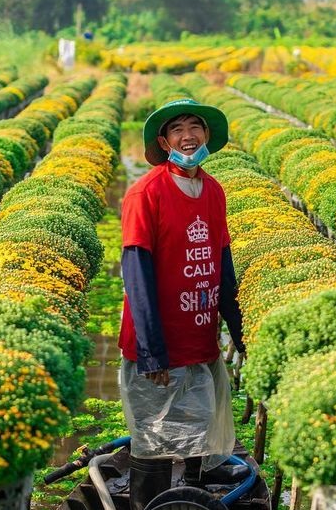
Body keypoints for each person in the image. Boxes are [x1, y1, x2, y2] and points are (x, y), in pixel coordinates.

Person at [118, 98, 248, 510]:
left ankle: (192, 498)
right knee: (154, 441)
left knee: (198, 424)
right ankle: (148, 504)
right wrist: (152, 352)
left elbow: (222, 263)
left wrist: (241, 332)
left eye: (196, 127)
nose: (188, 136)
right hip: (160, 342)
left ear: (207, 137)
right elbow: (136, 274)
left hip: (200, 331)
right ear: (164, 140)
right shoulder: (146, 193)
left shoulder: (212, 190)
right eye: (178, 130)